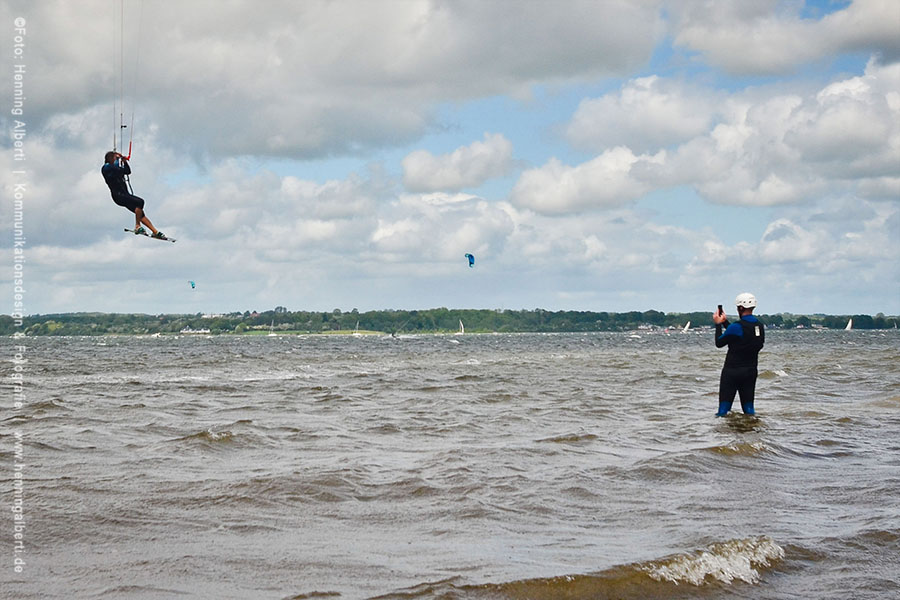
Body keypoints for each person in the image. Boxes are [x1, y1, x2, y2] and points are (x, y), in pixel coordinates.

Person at [712, 292, 765, 416]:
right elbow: (740, 335)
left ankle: (721, 434)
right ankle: (751, 432)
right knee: (749, 409)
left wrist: (718, 324)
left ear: (740, 308)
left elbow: (719, 343)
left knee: (723, 411)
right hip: (751, 371)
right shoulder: (759, 326)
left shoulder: (737, 327)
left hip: (732, 372)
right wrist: (725, 322)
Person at [102, 151, 166, 239]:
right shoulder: (106, 167)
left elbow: (127, 171)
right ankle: (137, 226)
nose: (117, 159)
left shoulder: (115, 168)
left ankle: (155, 232)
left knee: (140, 213)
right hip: (118, 196)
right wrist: (118, 159)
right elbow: (115, 167)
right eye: (116, 158)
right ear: (111, 158)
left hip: (124, 195)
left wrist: (124, 162)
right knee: (140, 202)